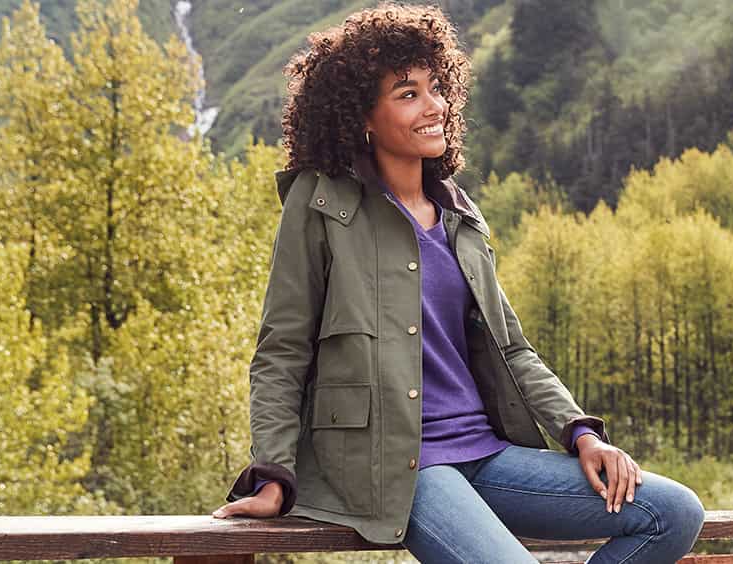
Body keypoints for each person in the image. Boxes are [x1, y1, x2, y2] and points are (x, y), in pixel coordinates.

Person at [208, 4, 705, 563]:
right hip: (396, 468)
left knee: (673, 512)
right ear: (361, 118)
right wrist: (273, 472)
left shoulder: (460, 217)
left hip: (487, 454)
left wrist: (581, 434)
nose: (435, 105)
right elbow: (282, 350)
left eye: (436, 87)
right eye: (408, 93)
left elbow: (513, 348)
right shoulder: (321, 202)